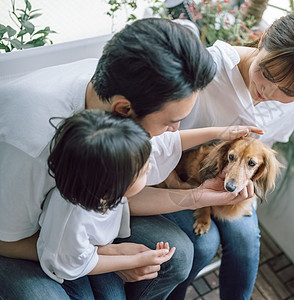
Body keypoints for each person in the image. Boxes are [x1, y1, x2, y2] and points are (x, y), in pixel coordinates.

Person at [0, 18, 257, 299]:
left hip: (76, 233)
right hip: (21, 238)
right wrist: (104, 256)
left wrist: (197, 196)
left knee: (178, 255)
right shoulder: (31, 147)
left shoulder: (118, 98)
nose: (176, 130)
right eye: (172, 121)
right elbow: (10, 240)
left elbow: (125, 193)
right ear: (124, 109)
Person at [165, 6, 294, 299]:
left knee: (246, 243)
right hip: (180, 175)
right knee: (204, 244)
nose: (269, 92)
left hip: (234, 187)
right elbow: (159, 136)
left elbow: (264, 151)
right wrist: (179, 186)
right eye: (267, 73)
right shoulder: (211, 66)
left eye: (288, 91)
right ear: (264, 37)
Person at [38, 110, 261, 295]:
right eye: (145, 172)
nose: (152, 168)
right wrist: (127, 261)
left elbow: (169, 143)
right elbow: (78, 264)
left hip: (88, 252)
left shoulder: (101, 190)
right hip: (66, 274)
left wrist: (124, 251)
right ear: (117, 185)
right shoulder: (73, 224)